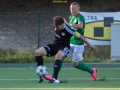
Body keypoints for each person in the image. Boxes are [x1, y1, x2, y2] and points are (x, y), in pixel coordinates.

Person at [35, 16, 98, 83]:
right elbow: (59, 19)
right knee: (37, 52)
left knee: (59, 56)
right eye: (55, 25)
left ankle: (55, 79)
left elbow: (80, 36)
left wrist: (90, 45)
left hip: (64, 47)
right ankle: (42, 75)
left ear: (62, 25)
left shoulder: (68, 29)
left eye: (57, 26)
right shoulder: (57, 23)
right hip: (55, 45)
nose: (56, 27)